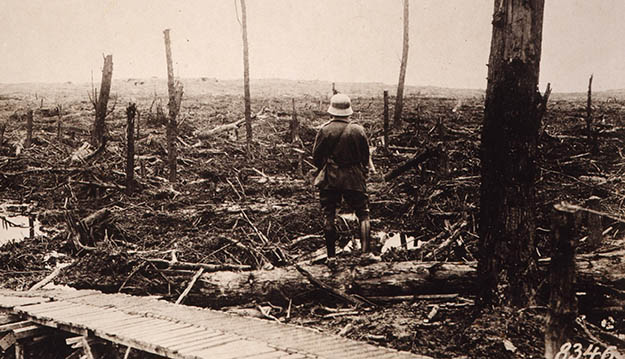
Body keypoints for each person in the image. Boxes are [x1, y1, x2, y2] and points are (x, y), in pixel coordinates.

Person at [312, 93, 372, 266]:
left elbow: (317, 158)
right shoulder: (358, 130)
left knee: (329, 214)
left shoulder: (324, 130)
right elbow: (365, 157)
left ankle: (331, 258)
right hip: (354, 177)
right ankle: (365, 254)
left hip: (330, 178)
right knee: (363, 213)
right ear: (348, 112)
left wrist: (330, 166)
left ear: (332, 111)